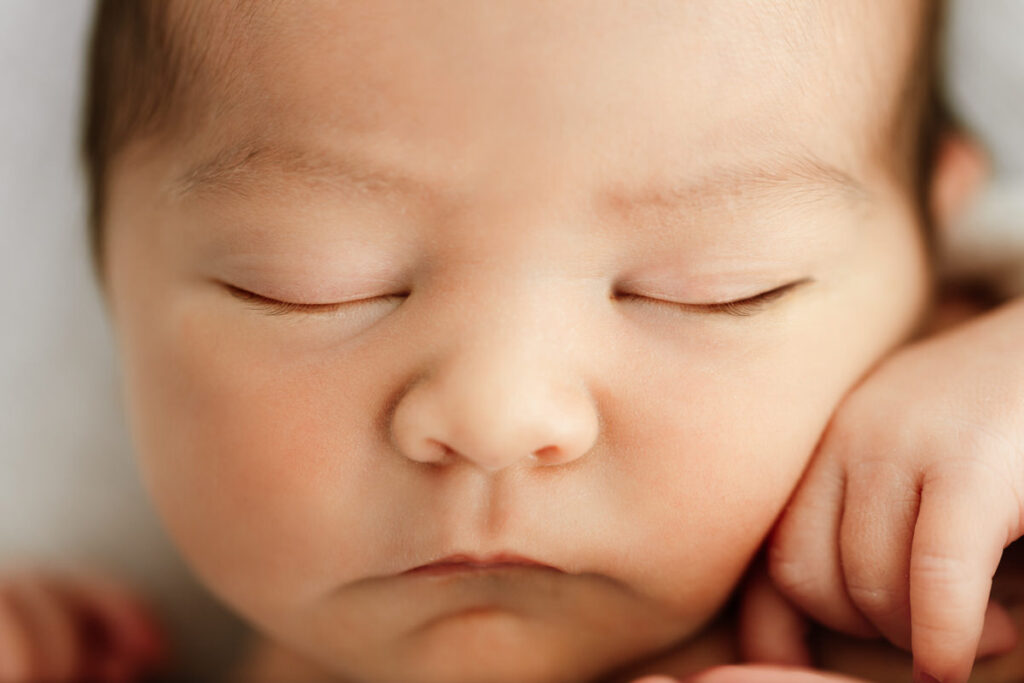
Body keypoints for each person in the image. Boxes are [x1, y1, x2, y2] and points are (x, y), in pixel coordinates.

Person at [2, 1, 1024, 681]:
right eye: (304, 284)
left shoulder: (965, 590)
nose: (497, 415)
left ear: (927, 267)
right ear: (108, 266)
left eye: (715, 290)